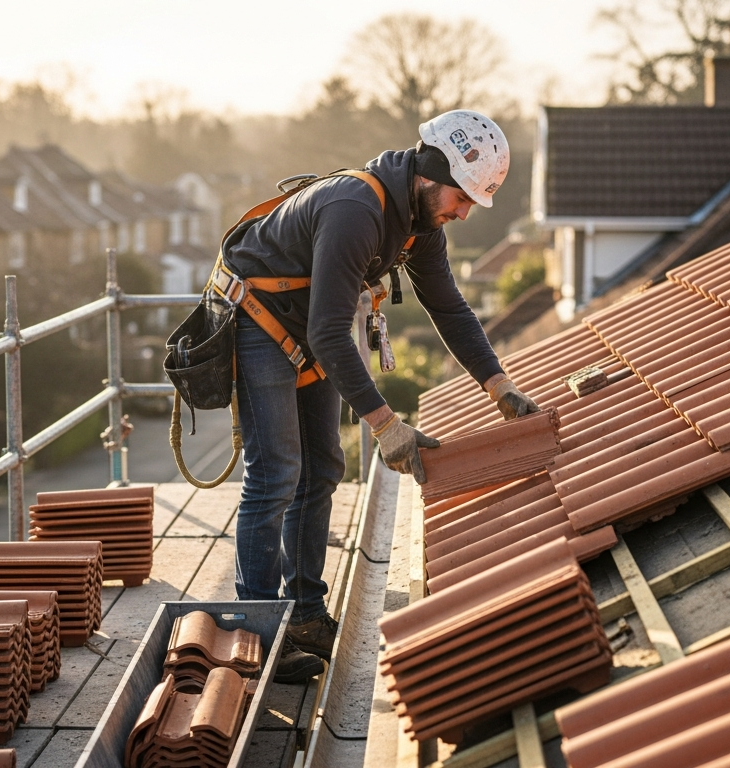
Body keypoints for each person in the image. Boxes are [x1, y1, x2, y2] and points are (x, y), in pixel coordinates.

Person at [212, 110, 540, 682]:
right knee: (277, 472)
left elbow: (451, 310)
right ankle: (257, 633)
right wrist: (386, 424)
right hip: (256, 318)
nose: (463, 212)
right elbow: (328, 332)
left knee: (323, 469)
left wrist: (501, 387)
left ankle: (306, 615)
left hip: (307, 324)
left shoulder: (419, 223)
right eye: (461, 197)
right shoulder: (355, 210)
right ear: (430, 174)